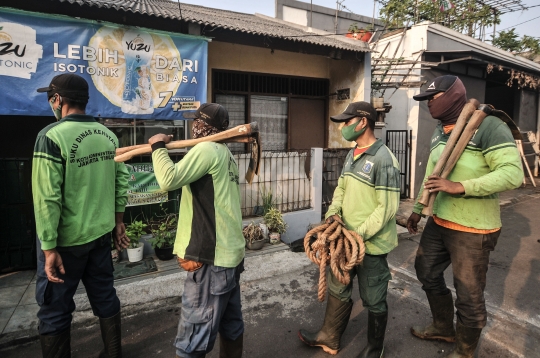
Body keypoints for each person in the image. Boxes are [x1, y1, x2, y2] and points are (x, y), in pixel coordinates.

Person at [407, 75, 523, 358]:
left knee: (469, 295)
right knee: (427, 271)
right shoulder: (440, 130)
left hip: (473, 230)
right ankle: (443, 326)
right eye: (427, 102)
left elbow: (513, 174)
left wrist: (460, 187)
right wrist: (418, 209)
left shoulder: (489, 125)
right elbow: (433, 173)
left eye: (433, 99)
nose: (430, 106)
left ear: (453, 95)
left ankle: (465, 350)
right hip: (440, 220)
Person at [33, 74, 130, 357]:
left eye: (51, 98)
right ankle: (113, 353)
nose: (51, 104)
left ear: (58, 100)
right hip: (100, 238)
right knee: (105, 298)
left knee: (54, 311)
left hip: (65, 245)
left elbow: (46, 198)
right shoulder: (109, 136)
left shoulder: (50, 137)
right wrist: (119, 221)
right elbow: (121, 181)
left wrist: (49, 248)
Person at [298, 101, 401, 358]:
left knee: (374, 297)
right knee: (338, 287)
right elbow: (341, 189)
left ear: (363, 122)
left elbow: (386, 208)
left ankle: (375, 348)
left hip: (371, 245)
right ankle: (329, 338)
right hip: (344, 240)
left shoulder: (383, 159)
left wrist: (356, 237)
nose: (343, 127)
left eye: (346, 121)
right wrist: (333, 213)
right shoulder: (352, 153)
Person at [148, 103, 245, 358]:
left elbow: (168, 179)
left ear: (203, 126)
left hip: (211, 260)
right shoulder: (227, 154)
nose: (193, 127)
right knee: (231, 325)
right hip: (230, 256)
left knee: (192, 340)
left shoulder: (206, 150)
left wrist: (158, 146)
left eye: (196, 122)